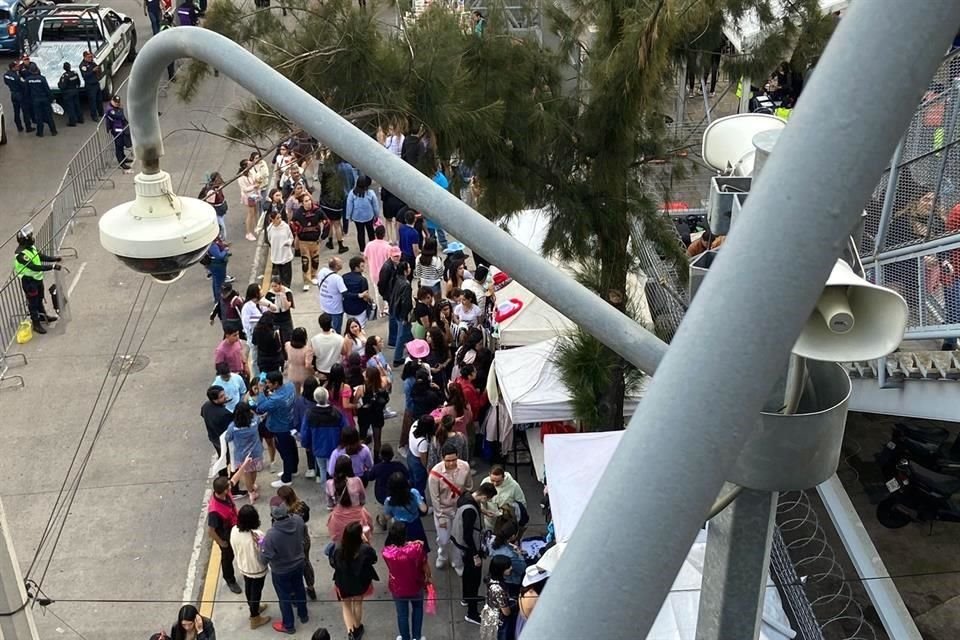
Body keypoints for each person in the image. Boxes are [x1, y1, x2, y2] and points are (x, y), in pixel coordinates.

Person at [452, 482, 499, 625]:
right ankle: (472, 613)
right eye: (488, 499)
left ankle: (466, 598)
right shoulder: (470, 511)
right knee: (474, 579)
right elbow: (467, 535)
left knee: (467, 575)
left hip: (461, 546)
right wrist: (475, 555)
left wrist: (484, 512)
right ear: (484, 496)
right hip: (469, 548)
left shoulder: (467, 497)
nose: (487, 502)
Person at [262, 503, 310, 634]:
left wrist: (261, 545)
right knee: (299, 588)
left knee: (284, 597)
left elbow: (264, 558)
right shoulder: (298, 521)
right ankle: (303, 614)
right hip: (298, 563)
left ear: (273, 517)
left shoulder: (271, 535)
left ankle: (289, 625)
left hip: (281, 570)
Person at [428, 441, 474, 574]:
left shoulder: (465, 467)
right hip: (443, 510)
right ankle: (442, 554)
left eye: (454, 459)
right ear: (442, 458)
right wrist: (440, 516)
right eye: (448, 460)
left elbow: (469, 486)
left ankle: (457, 561)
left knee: (459, 538)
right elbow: (434, 498)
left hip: (459, 508)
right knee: (443, 538)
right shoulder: (435, 474)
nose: (452, 463)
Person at [330, 522, 379, 640]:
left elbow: (333, 563)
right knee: (358, 603)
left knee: (346, 606)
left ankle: (351, 632)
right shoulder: (365, 549)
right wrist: (366, 541)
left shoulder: (338, 548)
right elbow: (374, 559)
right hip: (360, 582)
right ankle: (357, 627)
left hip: (343, 581)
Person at [382, 521, 431, 640]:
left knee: (402, 615)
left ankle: (405, 637)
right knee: (418, 609)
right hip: (415, 585)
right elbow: (423, 562)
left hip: (397, 588)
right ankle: (417, 637)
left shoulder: (387, 553)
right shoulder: (416, 549)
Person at [207, 466, 251, 596]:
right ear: (223, 491)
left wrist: (244, 465)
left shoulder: (224, 493)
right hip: (225, 535)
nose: (230, 487)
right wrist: (221, 543)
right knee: (227, 558)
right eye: (228, 488)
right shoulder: (214, 511)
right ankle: (230, 580)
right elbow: (211, 531)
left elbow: (234, 479)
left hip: (235, 527)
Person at [12, 224, 61, 335]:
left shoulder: (31, 247)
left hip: (37, 279)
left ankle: (43, 316)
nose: (32, 237)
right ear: (24, 240)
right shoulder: (21, 255)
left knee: (39, 299)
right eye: (29, 236)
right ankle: (36, 323)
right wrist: (52, 267)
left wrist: (54, 259)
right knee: (33, 303)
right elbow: (33, 267)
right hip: (29, 282)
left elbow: (41, 256)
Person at [230, 504, 272, 629]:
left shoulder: (234, 530)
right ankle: (255, 616)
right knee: (256, 591)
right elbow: (265, 549)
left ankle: (254, 607)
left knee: (249, 587)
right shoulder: (257, 535)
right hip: (256, 568)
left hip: (243, 566)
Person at [273, 485, 317, 600]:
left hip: (289, 543)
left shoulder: (281, 512)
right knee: (306, 562)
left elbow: (275, 526)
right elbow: (306, 519)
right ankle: (311, 586)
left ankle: (294, 592)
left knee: (292, 566)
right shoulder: (302, 507)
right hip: (303, 538)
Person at [256, 371, 298, 488]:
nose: (267, 385)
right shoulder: (290, 386)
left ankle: (286, 478)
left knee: (285, 453)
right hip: (290, 422)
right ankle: (292, 469)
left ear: (275, 384)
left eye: (269, 383)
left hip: (280, 428)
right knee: (292, 448)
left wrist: (261, 392)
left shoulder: (275, 399)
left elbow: (260, 408)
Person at [301, 387, 348, 485]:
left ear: (315, 398)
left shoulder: (309, 414)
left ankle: (327, 490)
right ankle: (337, 488)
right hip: (335, 447)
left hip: (319, 448)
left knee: (322, 470)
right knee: (334, 470)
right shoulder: (337, 412)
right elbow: (346, 428)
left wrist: (306, 444)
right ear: (327, 397)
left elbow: (305, 432)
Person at [326, 456, 373, 543]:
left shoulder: (329, 483)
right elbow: (363, 500)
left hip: (338, 519)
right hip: (357, 517)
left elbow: (330, 505)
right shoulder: (357, 481)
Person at [225, 402, 265, 502]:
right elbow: (259, 418)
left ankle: (251, 492)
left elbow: (227, 438)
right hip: (255, 452)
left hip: (242, 455)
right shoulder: (254, 421)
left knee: (246, 473)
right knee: (254, 470)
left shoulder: (233, 427)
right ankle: (252, 486)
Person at [383, 470, 429, 548]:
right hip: (415, 524)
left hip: (399, 528)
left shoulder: (389, 500)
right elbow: (424, 509)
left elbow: (387, 517)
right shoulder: (414, 493)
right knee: (419, 547)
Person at [292, 193, 324, 291]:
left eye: (309, 200)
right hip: (303, 242)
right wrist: (297, 234)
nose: (308, 202)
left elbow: (326, 222)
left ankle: (314, 276)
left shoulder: (317, 211)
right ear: (302, 203)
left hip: (315, 241)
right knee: (305, 262)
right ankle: (306, 281)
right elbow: (292, 224)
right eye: (306, 201)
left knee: (315, 260)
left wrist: (323, 236)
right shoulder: (298, 213)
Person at [355, 367, 389, 458]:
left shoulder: (362, 389)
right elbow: (385, 376)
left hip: (364, 415)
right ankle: (377, 458)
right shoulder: (382, 386)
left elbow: (355, 401)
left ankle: (362, 456)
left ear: (367, 377)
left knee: (362, 437)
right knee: (377, 439)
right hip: (377, 414)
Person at [483, 466, 528, 530]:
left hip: (507, 523)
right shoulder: (485, 482)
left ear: (503, 477)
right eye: (492, 480)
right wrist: (485, 511)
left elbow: (522, 504)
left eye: (498, 481)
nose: (495, 484)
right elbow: (481, 501)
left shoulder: (514, 486)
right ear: (489, 474)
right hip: (490, 521)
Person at [479, 555, 513, 638]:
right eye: (508, 567)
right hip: (497, 619)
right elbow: (506, 612)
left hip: (489, 612)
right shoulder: (499, 589)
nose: (511, 568)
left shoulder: (490, 578)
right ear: (500, 570)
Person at [201, 385, 233, 469]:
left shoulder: (206, 406)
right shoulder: (224, 414)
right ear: (215, 400)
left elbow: (202, 415)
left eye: (224, 394)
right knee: (229, 460)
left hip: (213, 437)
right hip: (224, 441)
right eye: (221, 396)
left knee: (221, 456)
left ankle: (223, 473)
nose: (225, 397)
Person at [389, 261, 414, 367]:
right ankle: (397, 358)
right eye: (408, 267)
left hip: (396, 310)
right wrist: (404, 317)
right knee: (402, 335)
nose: (410, 269)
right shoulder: (406, 284)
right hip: (402, 314)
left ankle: (413, 348)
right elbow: (405, 302)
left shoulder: (397, 279)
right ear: (405, 271)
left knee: (407, 334)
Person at [346, 175, 379, 252]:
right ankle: (372, 248)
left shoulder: (352, 193)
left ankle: (362, 249)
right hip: (369, 216)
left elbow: (349, 205)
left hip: (357, 217)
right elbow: (375, 206)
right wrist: (376, 215)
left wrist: (348, 216)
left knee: (360, 232)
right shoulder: (370, 193)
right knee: (371, 232)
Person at [406, 415, 435, 496]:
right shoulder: (423, 442)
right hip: (417, 463)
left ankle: (410, 493)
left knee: (412, 479)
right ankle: (420, 503)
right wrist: (427, 469)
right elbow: (423, 460)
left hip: (410, 455)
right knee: (420, 487)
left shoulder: (414, 425)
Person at [317, 257, 348, 332]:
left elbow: (318, 285)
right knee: (336, 330)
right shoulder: (337, 278)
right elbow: (344, 293)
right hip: (335, 309)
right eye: (340, 263)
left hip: (325, 305)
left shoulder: (322, 271)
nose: (342, 263)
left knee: (327, 328)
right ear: (337, 266)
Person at [310, 313, 345, 380]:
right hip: (336, 370)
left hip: (321, 369)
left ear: (320, 325)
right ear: (331, 323)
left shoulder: (314, 340)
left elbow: (312, 357)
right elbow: (344, 352)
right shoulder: (340, 338)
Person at [25, 64, 56, 138]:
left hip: (35, 100)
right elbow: (47, 90)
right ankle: (53, 131)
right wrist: (52, 99)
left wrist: (28, 101)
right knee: (49, 115)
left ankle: (40, 132)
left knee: (38, 117)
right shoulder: (42, 78)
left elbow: (27, 92)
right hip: (44, 99)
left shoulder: (28, 80)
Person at [266, 211, 295, 286]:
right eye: (277, 218)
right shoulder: (270, 229)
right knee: (278, 277)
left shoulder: (285, 226)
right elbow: (269, 240)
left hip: (285, 254)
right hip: (276, 255)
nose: (280, 220)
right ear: (272, 220)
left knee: (287, 276)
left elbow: (291, 237)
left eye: (280, 217)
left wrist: (288, 242)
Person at [342, 256, 372, 328]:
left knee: (351, 326)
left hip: (347, 307)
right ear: (356, 268)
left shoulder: (344, 277)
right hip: (360, 308)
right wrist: (370, 300)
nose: (364, 267)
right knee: (359, 327)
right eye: (362, 266)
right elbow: (365, 296)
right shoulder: (362, 280)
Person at [105, 95, 132, 171]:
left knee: (122, 145)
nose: (117, 104)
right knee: (119, 146)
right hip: (116, 130)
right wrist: (120, 110)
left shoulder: (116, 108)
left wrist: (120, 110)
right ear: (112, 101)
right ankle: (121, 162)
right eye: (116, 102)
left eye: (118, 103)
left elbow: (121, 114)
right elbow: (119, 116)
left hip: (120, 129)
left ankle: (123, 158)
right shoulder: (110, 110)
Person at [4, 62, 33, 132]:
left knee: (16, 111)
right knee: (25, 111)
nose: (18, 67)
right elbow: (23, 85)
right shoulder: (17, 77)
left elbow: (6, 83)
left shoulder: (6, 75)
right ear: (13, 67)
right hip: (20, 94)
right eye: (17, 66)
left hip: (13, 94)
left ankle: (19, 127)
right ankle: (28, 127)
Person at [284, 327, 313, 395]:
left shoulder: (287, 345)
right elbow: (308, 365)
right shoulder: (308, 350)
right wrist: (313, 372)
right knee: (306, 393)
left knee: (295, 394)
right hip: (304, 375)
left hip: (292, 373)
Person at [238, 159, 261, 241]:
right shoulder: (241, 177)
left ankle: (255, 227)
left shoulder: (251, 172)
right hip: (248, 196)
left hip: (254, 194)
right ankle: (248, 233)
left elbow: (255, 178)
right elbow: (244, 189)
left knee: (255, 211)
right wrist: (254, 186)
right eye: (248, 163)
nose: (251, 163)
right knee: (250, 214)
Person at [205, 235, 230, 304]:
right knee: (219, 283)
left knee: (216, 282)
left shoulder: (213, 241)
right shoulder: (212, 245)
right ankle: (219, 300)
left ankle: (217, 299)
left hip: (216, 265)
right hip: (217, 265)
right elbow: (219, 256)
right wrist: (225, 250)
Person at [78, 51, 103, 121]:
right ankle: (94, 116)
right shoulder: (83, 66)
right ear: (85, 57)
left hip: (96, 83)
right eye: (89, 57)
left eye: (91, 57)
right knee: (93, 102)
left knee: (99, 99)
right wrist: (92, 71)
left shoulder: (92, 63)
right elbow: (85, 76)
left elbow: (98, 68)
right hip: (90, 85)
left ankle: (101, 113)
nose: (90, 58)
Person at [58, 62, 83, 126]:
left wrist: (59, 85)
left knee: (70, 108)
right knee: (77, 105)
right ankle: (80, 119)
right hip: (75, 91)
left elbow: (62, 86)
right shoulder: (74, 73)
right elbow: (79, 82)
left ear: (64, 68)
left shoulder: (65, 76)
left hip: (68, 93)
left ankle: (72, 122)